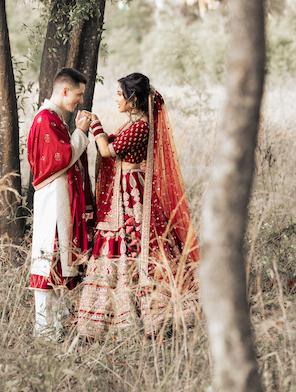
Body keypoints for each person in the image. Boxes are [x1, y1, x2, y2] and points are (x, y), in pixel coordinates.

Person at [77, 72, 199, 339]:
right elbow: (111, 147)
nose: (117, 99)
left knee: (136, 243)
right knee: (123, 245)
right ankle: (116, 314)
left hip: (131, 192)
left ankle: (150, 313)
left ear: (133, 99)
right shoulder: (132, 125)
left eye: (121, 95)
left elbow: (109, 151)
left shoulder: (141, 126)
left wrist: (95, 126)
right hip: (124, 188)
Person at [27, 67, 93, 337]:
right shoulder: (45, 120)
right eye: (78, 95)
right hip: (53, 203)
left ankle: (56, 329)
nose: (80, 101)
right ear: (65, 91)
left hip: (58, 200)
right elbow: (61, 158)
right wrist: (80, 133)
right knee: (49, 262)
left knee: (57, 266)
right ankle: (46, 334)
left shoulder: (53, 118)